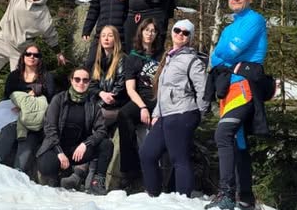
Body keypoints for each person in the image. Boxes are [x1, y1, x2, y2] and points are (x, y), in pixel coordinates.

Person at [204, 0, 269, 210]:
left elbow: (228, 51)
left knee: (223, 133)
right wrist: (228, 58)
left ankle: (227, 194)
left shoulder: (255, 19)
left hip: (244, 89)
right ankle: (246, 198)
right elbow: (215, 58)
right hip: (227, 91)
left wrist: (226, 56)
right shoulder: (228, 28)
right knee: (238, 142)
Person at [139, 18, 209, 198]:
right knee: (147, 153)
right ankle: (153, 195)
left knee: (179, 158)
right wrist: (156, 114)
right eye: (177, 30)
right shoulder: (169, 57)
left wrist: (198, 113)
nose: (180, 35)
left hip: (182, 112)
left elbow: (203, 88)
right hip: (164, 115)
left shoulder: (192, 60)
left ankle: (182, 200)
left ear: (190, 37)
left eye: (186, 33)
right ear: (172, 32)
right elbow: (162, 90)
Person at [36, 67, 113, 194]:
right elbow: (50, 128)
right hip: (55, 148)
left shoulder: (92, 105)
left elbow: (101, 130)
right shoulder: (59, 99)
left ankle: (97, 183)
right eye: (77, 79)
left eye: (85, 80)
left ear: (89, 83)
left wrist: (86, 144)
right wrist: (59, 152)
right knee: (47, 166)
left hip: (77, 150)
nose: (81, 83)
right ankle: (57, 178)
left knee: (106, 144)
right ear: (71, 80)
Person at [0, 44, 56, 174]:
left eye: (36, 55)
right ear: (23, 57)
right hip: (13, 117)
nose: (32, 57)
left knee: (28, 139)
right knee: (9, 130)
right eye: (28, 54)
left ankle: (18, 172)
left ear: (40, 59)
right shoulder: (14, 76)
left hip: (34, 121)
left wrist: (36, 96)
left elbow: (51, 100)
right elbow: (6, 97)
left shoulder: (46, 78)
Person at [117, 17, 163, 186]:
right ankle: (128, 171)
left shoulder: (162, 56)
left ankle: (161, 175)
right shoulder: (132, 57)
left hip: (159, 99)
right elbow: (130, 88)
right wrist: (142, 107)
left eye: (153, 30)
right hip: (141, 99)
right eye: (146, 30)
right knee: (124, 115)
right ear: (141, 32)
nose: (150, 34)